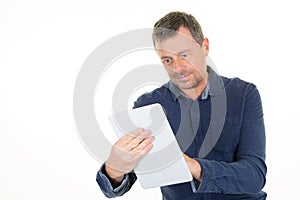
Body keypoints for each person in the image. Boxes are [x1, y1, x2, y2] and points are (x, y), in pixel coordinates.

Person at [96, 11, 267, 199]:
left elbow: (254, 175)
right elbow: (118, 184)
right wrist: (114, 167)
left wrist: (190, 166)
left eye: (184, 55)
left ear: (205, 47)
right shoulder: (148, 105)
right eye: (167, 60)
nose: (177, 68)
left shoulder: (243, 94)